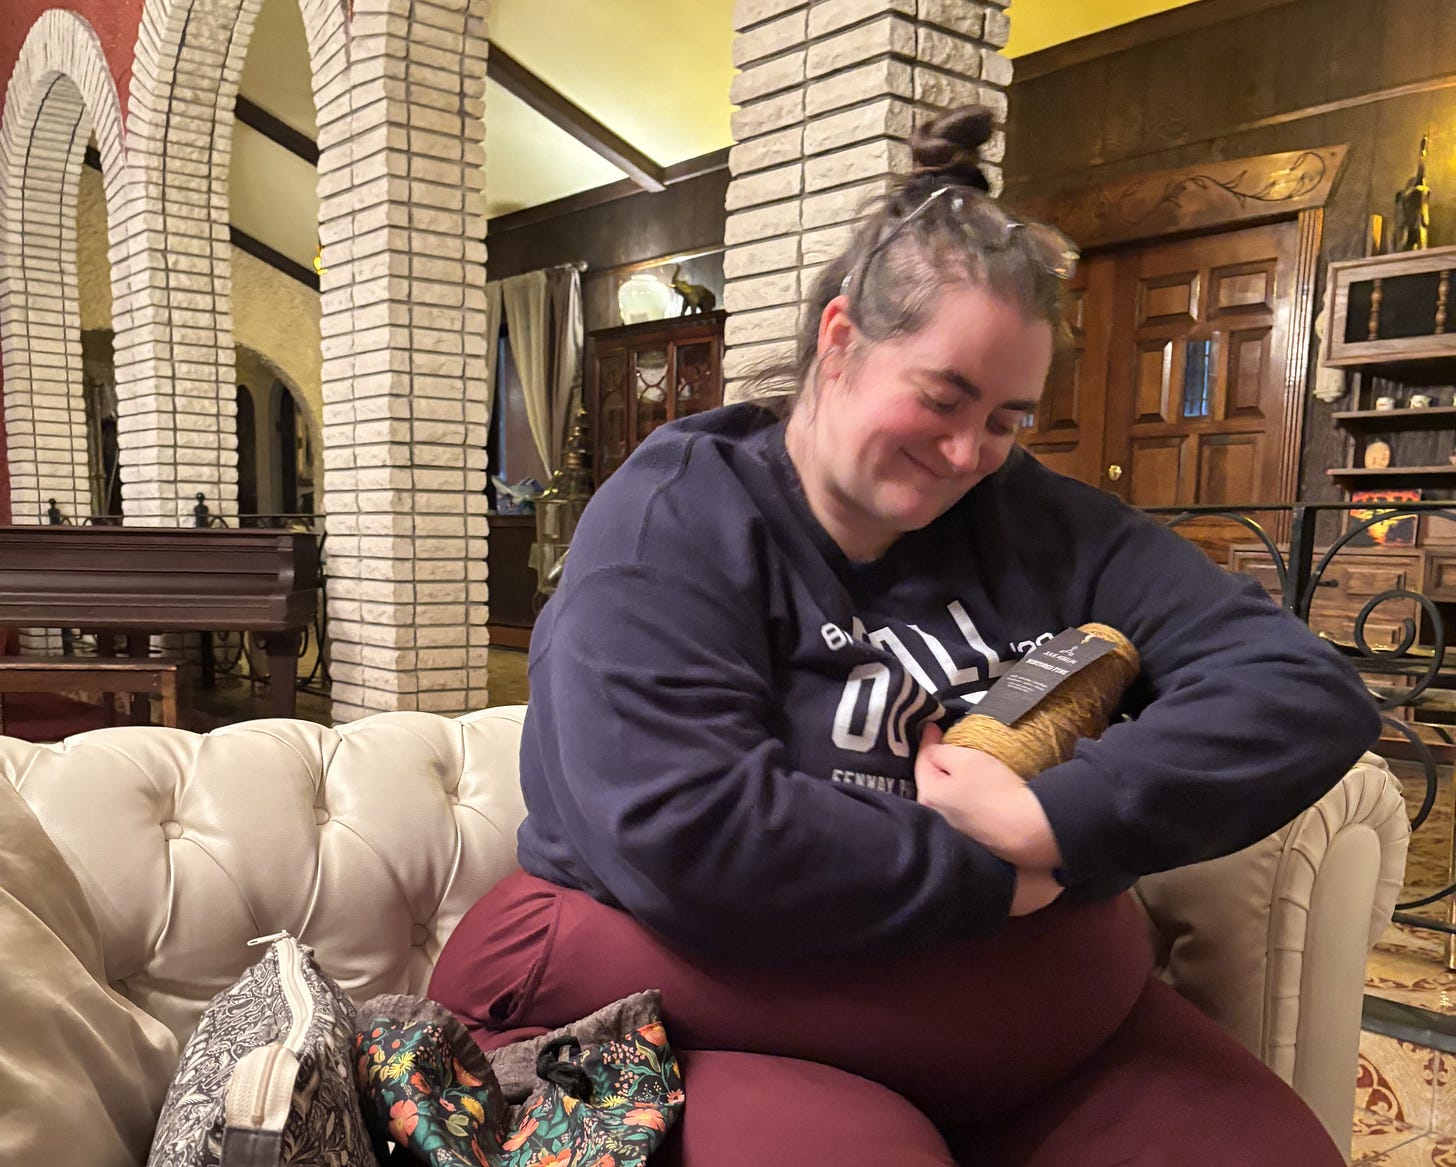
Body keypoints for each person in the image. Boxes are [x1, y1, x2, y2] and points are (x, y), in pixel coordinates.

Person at [431, 107, 1382, 1165]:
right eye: (942, 397)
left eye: (1009, 418)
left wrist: (1054, 819)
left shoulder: (1036, 519)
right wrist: (998, 877)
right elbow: (689, 833)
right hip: (665, 990)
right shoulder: (679, 512)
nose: (969, 450)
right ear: (839, 341)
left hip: (1047, 1044)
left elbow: (1301, 690)